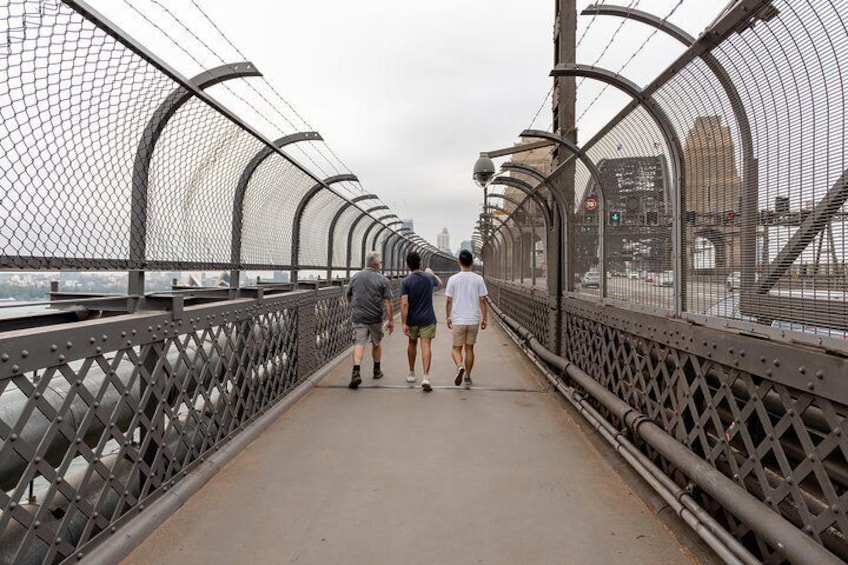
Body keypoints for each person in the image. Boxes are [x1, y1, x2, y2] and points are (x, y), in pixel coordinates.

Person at [345, 251, 394, 389]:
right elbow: (388, 302)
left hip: (359, 316)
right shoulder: (383, 280)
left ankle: (356, 371)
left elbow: (348, 295)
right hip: (375, 317)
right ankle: (377, 370)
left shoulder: (355, 277)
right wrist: (390, 320)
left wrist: (354, 306)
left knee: (359, 343)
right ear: (378, 264)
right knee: (376, 343)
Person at [444, 249, 488, 388]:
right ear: (472, 263)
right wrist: (484, 318)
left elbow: (449, 301)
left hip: (458, 319)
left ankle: (459, 366)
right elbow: (483, 300)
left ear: (459, 263)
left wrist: (448, 316)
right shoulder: (478, 279)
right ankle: (468, 376)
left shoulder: (453, 279)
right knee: (470, 349)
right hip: (473, 319)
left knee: (456, 348)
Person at [400, 251, 442, 391]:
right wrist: (432, 272)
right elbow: (440, 284)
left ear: (408, 265)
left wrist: (404, 322)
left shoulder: (405, 281)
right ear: (420, 263)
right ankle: (426, 376)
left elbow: (404, 304)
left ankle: (411, 373)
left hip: (412, 319)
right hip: (428, 318)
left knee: (412, 343)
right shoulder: (428, 277)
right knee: (426, 346)